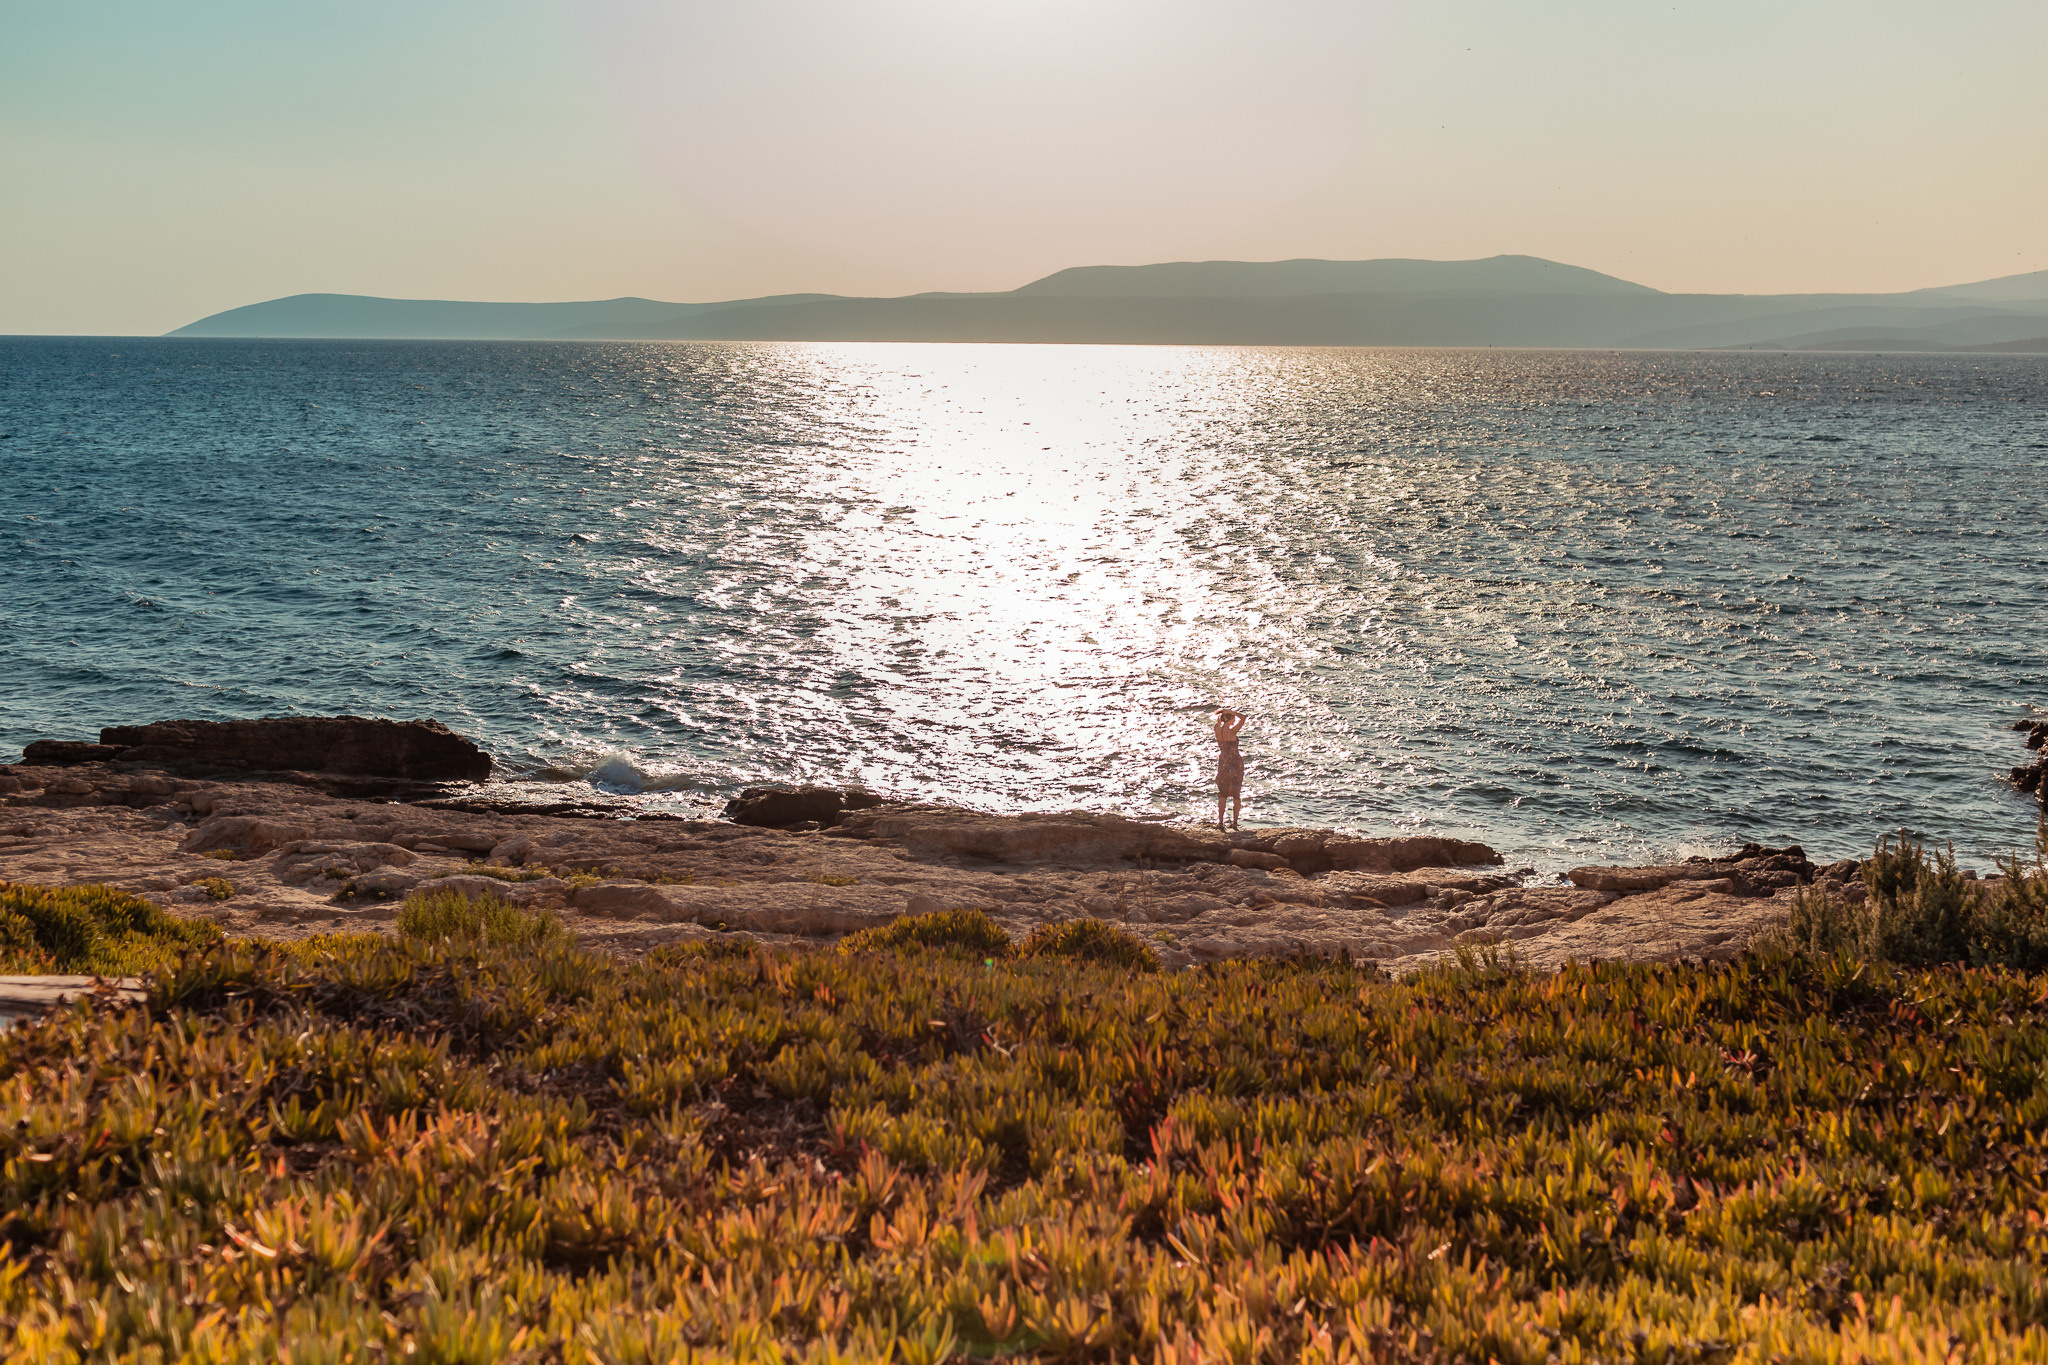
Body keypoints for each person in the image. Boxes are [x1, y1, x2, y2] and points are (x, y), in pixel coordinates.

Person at [1212, 708, 1245, 830]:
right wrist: (1230, 711)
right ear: (1231, 719)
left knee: (1223, 794)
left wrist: (1223, 714)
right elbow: (1244, 718)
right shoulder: (1232, 732)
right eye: (1233, 718)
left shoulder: (1217, 729)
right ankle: (1235, 823)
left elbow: (1218, 721)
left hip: (1223, 763)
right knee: (1236, 794)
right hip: (1235, 763)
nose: (1234, 720)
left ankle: (1220, 822)